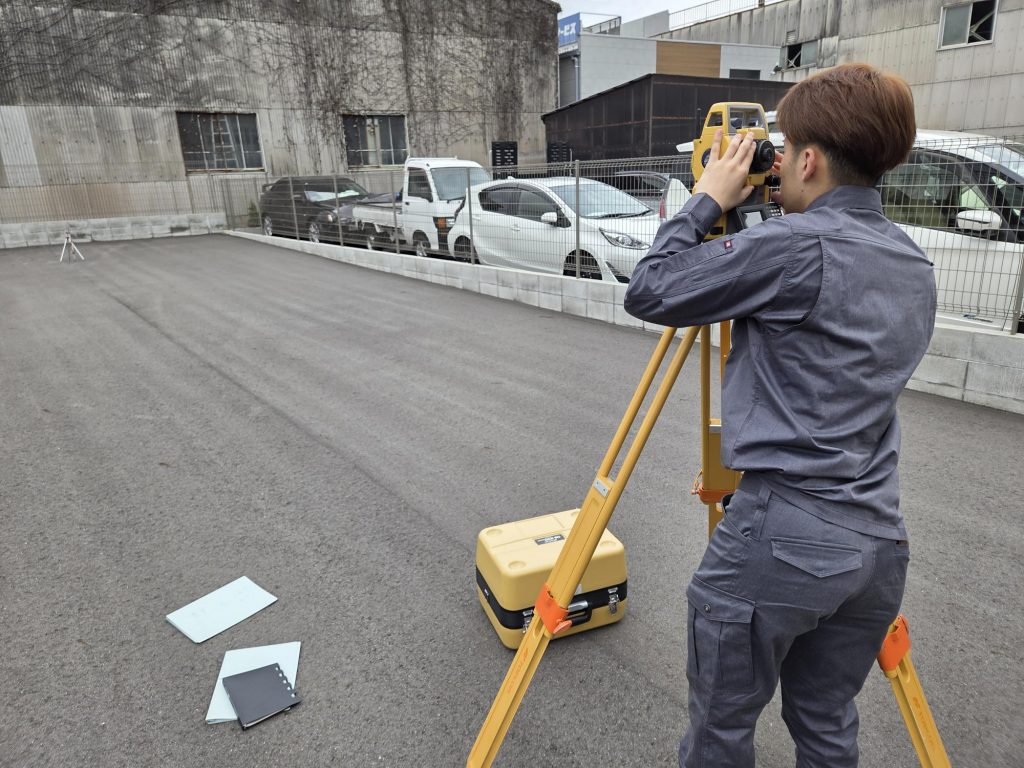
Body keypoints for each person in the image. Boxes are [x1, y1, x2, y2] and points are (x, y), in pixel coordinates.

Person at [623, 64, 937, 767]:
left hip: (788, 534)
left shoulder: (794, 249)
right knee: (826, 724)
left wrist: (706, 202)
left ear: (808, 159)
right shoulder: (914, 264)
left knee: (721, 731)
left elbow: (651, 289)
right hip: (879, 546)